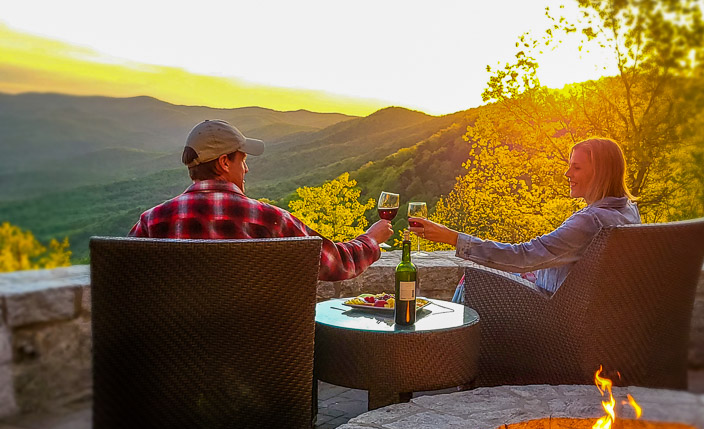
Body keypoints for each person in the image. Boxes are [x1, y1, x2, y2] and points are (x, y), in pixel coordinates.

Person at [129, 119, 392, 281]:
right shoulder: (268, 219)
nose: (247, 169)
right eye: (242, 161)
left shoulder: (152, 222)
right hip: (259, 360)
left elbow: (119, 280)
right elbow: (337, 265)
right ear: (224, 162)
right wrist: (370, 239)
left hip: (171, 362)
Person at [408, 137, 641, 301]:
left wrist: (453, 238)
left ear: (599, 173)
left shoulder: (590, 221)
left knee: (471, 283)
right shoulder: (629, 212)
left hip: (552, 309)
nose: (567, 174)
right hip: (588, 310)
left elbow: (523, 256)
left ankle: (452, 351)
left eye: (576, 168)